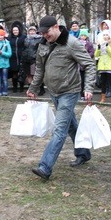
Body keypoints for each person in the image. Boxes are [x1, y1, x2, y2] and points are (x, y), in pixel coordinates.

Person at [27, 15, 96, 180]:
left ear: (56, 27)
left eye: (47, 31)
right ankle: (83, 153)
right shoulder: (43, 45)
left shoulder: (71, 43)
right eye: (42, 33)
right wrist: (33, 88)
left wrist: (88, 88)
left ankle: (45, 166)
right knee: (70, 125)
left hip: (69, 92)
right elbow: (39, 69)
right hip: (53, 91)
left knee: (59, 130)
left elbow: (89, 64)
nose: (45, 35)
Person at [95, 30, 111, 103]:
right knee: (103, 82)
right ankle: (103, 98)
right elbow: (96, 55)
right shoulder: (100, 44)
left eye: (106, 35)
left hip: (110, 66)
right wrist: (98, 47)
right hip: (102, 66)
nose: (105, 37)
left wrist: (107, 46)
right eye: (104, 35)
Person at [22, 25, 43, 91]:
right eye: (30, 31)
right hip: (26, 59)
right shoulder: (26, 39)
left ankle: (40, 89)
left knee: (35, 74)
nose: (32, 32)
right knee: (29, 75)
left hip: (34, 59)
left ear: (35, 31)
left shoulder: (39, 39)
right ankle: (30, 89)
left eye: (33, 31)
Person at [8, 22, 26, 93]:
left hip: (21, 57)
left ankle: (21, 87)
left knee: (21, 73)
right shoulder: (9, 38)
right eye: (14, 30)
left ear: (19, 30)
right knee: (14, 74)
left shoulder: (23, 37)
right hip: (12, 58)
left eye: (16, 30)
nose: (15, 31)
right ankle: (14, 87)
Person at [78, 29, 95, 100]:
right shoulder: (77, 43)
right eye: (81, 35)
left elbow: (92, 52)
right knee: (80, 81)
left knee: (87, 80)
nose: (83, 37)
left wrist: (86, 55)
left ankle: (88, 94)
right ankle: (81, 94)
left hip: (86, 64)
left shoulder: (89, 43)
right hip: (79, 65)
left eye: (84, 35)